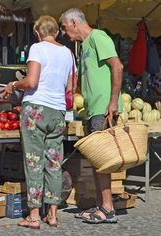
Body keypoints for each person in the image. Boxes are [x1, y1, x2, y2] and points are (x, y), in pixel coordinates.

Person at [0, 15, 76, 229]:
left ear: (37, 33)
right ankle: (52, 214)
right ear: (57, 32)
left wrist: (14, 84)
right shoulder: (68, 53)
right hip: (58, 111)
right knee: (54, 163)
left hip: (36, 109)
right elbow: (70, 87)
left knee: (34, 161)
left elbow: (31, 81)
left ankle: (34, 215)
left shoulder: (37, 48)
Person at [59, 8, 123, 224]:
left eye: (66, 29)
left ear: (74, 23)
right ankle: (101, 204)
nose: (66, 34)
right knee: (96, 160)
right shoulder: (83, 46)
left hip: (103, 108)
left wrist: (113, 101)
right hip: (91, 109)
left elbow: (117, 66)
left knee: (102, 160)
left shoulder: (98, 37)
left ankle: (108, 208)